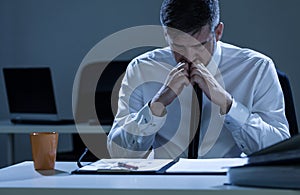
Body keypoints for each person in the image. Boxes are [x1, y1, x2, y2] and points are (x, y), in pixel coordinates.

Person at [107, 0, 290, 159]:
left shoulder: (257, 68)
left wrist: (228, 104)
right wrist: (156, 106)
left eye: (199, 46)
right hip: (164, 185)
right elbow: (118, 153)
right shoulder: (141, 69)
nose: (189, 56)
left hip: (230, 185)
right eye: (178, 46)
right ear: (165, 35)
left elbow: (279, 149)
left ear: (218, 32)